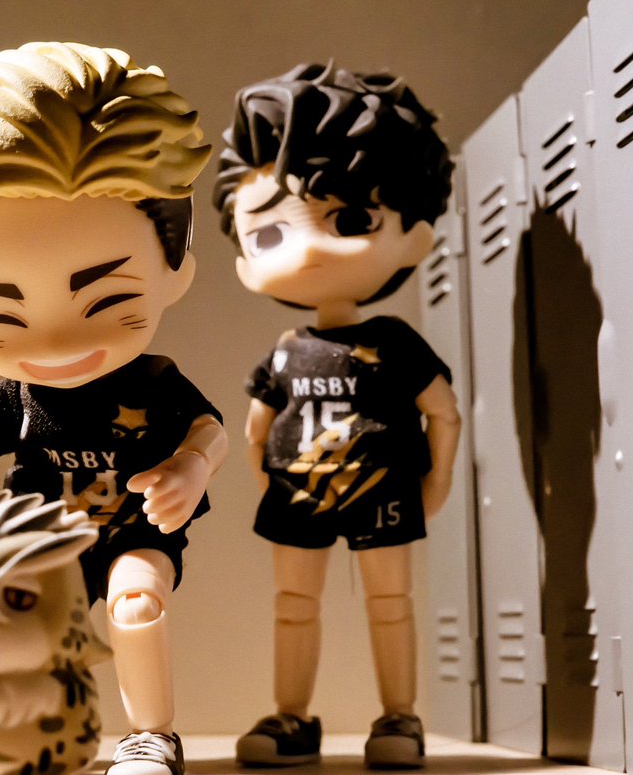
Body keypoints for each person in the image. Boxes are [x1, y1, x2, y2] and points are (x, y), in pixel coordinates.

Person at [0, 41, 227, 775]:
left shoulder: (156, 383)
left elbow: (208, 429)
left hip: (133, 526)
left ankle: (151, 734)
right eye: (0, 318)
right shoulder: (21, 395)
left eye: (106, 300)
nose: (57, 343)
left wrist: (191, 469)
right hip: (34, 542)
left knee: (135, 604)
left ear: (175, 268)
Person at [213, 62, 460, 769]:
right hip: (298, 495)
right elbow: (256, 428)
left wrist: (436, 482)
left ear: (415, 235)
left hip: (383, 490)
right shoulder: (286, 350)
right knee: (293, 603)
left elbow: (443, 413)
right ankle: (292, 718)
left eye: (350, 220)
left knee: (391, 602)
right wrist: (265, 482)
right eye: (269, 233)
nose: (310, 247)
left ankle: (400, 716)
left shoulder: (396, 344)